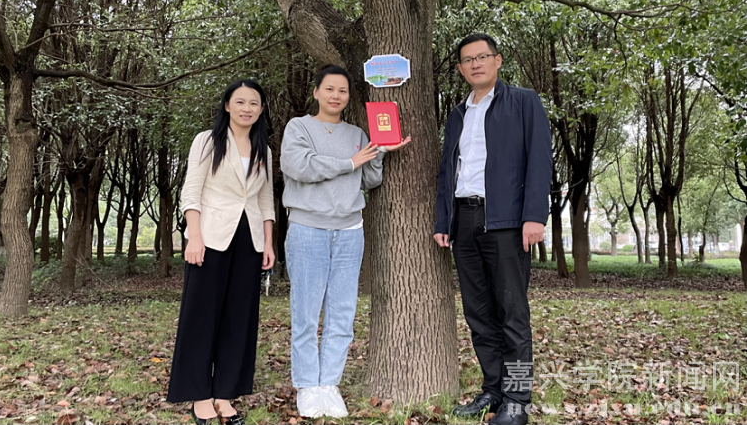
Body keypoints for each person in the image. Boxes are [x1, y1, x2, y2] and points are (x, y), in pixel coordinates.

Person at [280, 65, 410, 418]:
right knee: (306, 312)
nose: (336, 96)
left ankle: (329, 384)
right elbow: (300, 167)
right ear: (316, 92)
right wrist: (349, 162)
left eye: (343, 91)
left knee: (342, 312)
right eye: (330, 89)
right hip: (308, 228)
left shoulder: (356, 133)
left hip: (350, 231)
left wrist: (379, 152)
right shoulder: (299, 128)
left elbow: (367, 179)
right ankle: (307, 385)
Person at [434, 34, 551, 425]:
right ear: (460, 69)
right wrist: (443, 220)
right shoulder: (457, 114)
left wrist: (535, 215)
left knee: (512, 313)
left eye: (482, 57)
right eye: (468, 60)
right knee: (479, 314)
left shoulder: (523, 102)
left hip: (507, 221)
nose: (475, 64)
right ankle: (493, 391)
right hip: (464, 221)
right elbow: (448, 171)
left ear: (497, 60)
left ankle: (517, 401)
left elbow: (540, 159)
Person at [168, 79, 275, 425]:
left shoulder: (263, 149)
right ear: (227, 105)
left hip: (249, 241)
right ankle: (200, 394)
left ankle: (225, 393)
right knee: (201, 317)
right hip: (210, 238)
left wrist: (268, 243)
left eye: (254, 103)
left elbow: (265, 201)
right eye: (240, 101)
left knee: (239, 319)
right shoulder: (207, 141)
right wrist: (194, 237)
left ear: (261, 109)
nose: (247, 108)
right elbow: (191, 191)